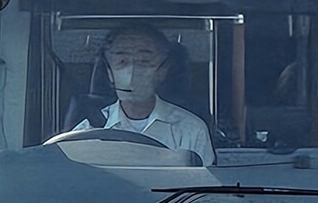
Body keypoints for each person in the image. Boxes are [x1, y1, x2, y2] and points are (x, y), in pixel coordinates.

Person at [71, 23, 215, 165]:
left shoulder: (191, 129)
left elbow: (204, 179)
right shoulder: (87, 131)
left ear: (162, 71)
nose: (132, 71)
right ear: (110, 72)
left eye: (144, 61)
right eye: (122, 61)